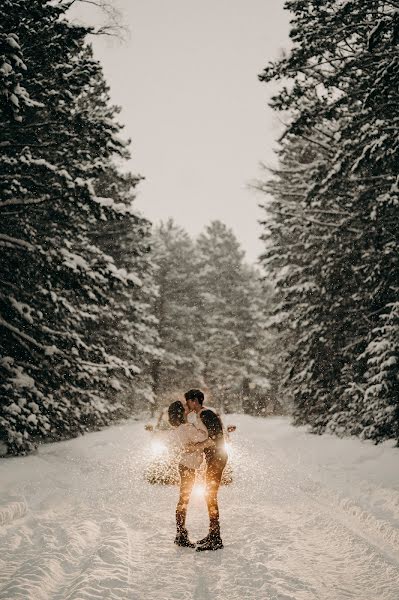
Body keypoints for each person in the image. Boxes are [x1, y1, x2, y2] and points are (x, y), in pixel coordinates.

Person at [184, 388, 227, 551]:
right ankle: (213, 534)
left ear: (194, 401)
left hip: (218, 458)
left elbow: (215, 437)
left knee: (210, 496)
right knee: (210, 496)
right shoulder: (203, 415)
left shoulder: (205, 413)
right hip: (215, 458)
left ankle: (216, 538)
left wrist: (197, 446)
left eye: (188, 401)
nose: (187, 404)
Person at [167, 400, 209, 548]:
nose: (187, 407)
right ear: (181, 412)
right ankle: (181, 535)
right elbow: (204, 436)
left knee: (183, 500)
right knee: (183, 500)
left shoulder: (179, 428)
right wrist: (200, 422)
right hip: (187, 467)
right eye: (184, 407)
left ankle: (181, 533)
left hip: (185, 466)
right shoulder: (186, 428)